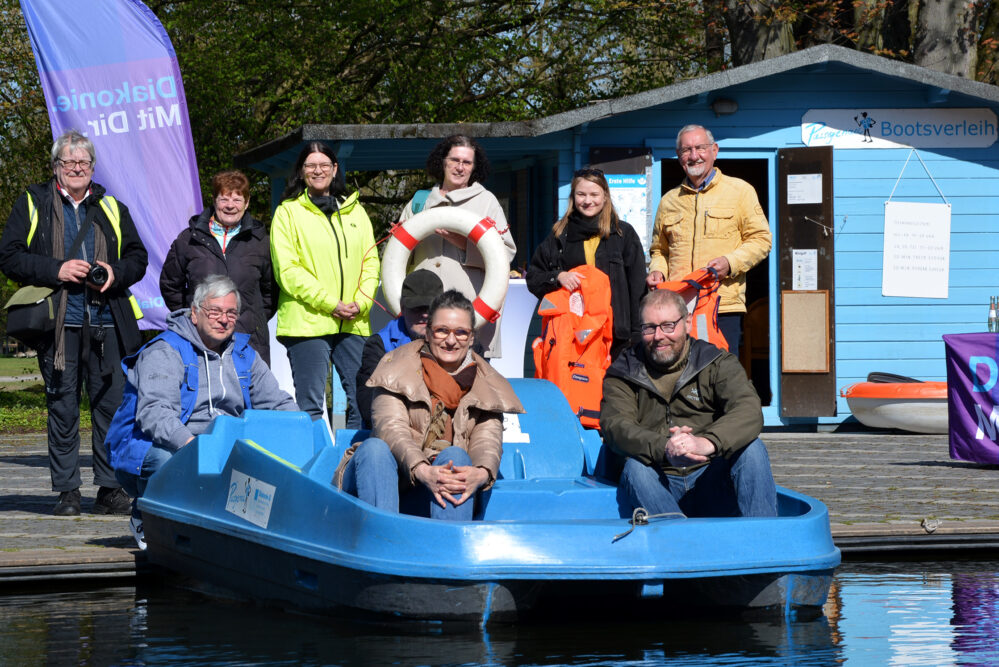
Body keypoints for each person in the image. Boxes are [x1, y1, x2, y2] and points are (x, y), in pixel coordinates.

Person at [0, 130, 148, 517]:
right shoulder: (33, 202)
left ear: (93, 168)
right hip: (58, 325)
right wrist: (57, 269)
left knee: (111, 408)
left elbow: (138, 256)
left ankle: (109, 487)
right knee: (63, 408)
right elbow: (10, 257)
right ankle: (67, 491)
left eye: (84, 163)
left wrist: (115, 273)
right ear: (56, 168)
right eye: (70, 163)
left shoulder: (111, 205)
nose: (78, 168)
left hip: (107, 321)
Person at [109, 275, 298, 549]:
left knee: (267, 458)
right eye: (215, 311)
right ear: (195, 314)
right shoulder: (165, 351)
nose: (223, 319)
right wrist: (193, 446)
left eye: (231, 313)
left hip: (222, 441)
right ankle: (144, 515)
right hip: (157, 444)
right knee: (169, 461)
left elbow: (277, 402)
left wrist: (303, 426)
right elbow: (155, 414)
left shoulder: (245, 355)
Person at [335, 290, 524, 520]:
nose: (451, 340)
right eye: (442, 330)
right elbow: (391, 430)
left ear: (472, 337)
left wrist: (482, 474)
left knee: (457, 458)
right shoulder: (395, 368)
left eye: (461, 333)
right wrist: (422, 470)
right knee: (375, 449)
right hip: (387, 478)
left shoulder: (487, 385)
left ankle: (448, 548)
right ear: (428, 332)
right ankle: (384, 542)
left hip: (441, 487)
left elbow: (487, 440)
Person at [600, 288, 777, 518]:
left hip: (711, 478)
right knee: (635, 468)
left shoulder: (716, 362)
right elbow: (616, 426)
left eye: (668, 325)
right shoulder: (623, 371)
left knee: (752, 450)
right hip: (657, 482)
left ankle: (765, 544)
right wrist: (664, 448)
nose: (658, 336)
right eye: (649, 328)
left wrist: (707, 442)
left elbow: (748, 409)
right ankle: (680, 541)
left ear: (687, 323)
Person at [270, 142, 379, 428]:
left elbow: (371, 261)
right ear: (302, 172)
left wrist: (362, 302)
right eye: (310, 165)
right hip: (308, 322)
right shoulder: (287, 213)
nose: (317, 170)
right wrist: (331, 304)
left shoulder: (356, 212)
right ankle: (316, 471)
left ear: (334, 169)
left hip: (353, 321)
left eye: (323, 165)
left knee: (362, 401)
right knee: (310, 407)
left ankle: (352, 465)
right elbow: (288, 270)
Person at [646, 124, 772, 356]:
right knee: (679, 374)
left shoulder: (740, 191)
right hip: (677, 308)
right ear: (679, 156)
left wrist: (730, 262)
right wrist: (658, 271)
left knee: (718, 375)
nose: (694, 156)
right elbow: (659, 250)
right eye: (686, 150)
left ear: (714, 150)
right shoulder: (669, 200)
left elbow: (761, 239)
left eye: (700, 148)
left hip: (721, 306)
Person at [399, 135, 516, 358]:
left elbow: (505, 254)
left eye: (467, 162)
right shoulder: (420, 202)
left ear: (474, 167)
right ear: (443, 161)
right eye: (455, 160)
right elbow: (399, 254)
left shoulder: (486, 201)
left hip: (470, 308)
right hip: (424, 310)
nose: (460, 167)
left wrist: (462, 243)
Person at [160, 169, 277, 365]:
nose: (230, 206)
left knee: (249, 394)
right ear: (214, 200)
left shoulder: (261, 242)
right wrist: (194, 318)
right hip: (200, 340)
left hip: (249, 341)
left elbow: (270, 291)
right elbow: (170, 284)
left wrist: (252, 320)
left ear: (247, 203)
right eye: (224, 199)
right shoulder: (188, 240)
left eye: (238, 200)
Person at [526, 167, 646, 359]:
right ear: (573, 197)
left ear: (605, 196)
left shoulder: (623, 234)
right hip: (572, 335)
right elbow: (533, 278)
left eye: (594, 194)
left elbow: (638, 287)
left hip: (617, 338)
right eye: (581, 194)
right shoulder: (559, 235)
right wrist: (558, 277)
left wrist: (637, 335)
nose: (588, 201)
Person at [356, 269, 443, 428]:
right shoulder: (378, 345)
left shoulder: (460, 344)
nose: (424, 315)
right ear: (402, 307)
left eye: (429, 308)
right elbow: (367, 406)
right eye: (417, 308)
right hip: (391, 433)